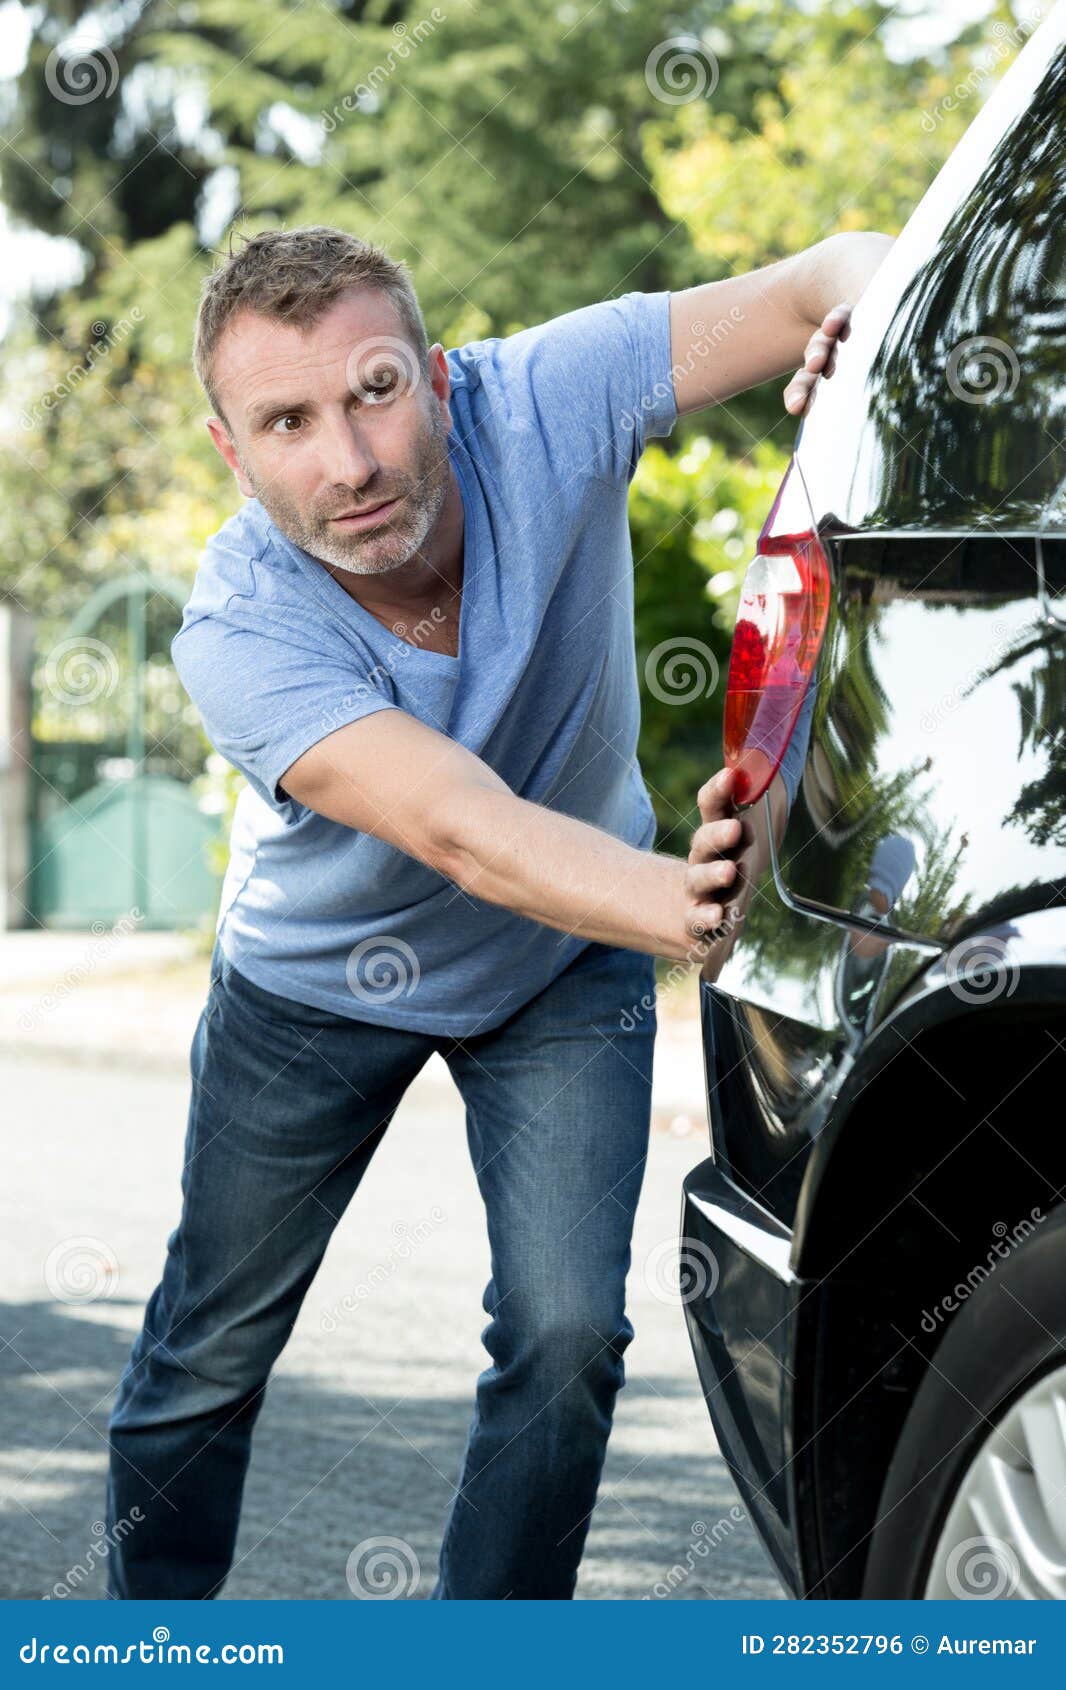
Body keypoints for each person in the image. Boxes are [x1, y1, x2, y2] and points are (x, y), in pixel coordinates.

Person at [104, 222, 891, 1599]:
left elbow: (826, 269)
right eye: (287, 421)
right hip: (312, 989)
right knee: (209, 1346)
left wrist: (855, 332)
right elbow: (458, 826)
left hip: (555, 959)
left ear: (441, 377)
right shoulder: (237, 628)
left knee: (567, 1333)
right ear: (232, 451)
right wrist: (692, 904)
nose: (348, 461)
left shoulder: (548, 395)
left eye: (375, 391)